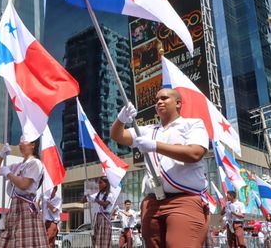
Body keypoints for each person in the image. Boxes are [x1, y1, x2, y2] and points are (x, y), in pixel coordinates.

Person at [110, 88, 209, 247]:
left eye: (164, 98)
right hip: (153, 201)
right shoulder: (148, 130)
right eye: (156, 100)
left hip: (183, 198)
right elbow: (117, 135)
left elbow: (195, 153)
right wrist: (121, 119)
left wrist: (155, 145)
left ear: (178, 103)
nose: (159, 102)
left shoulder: (193, 124)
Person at [0, 137, 48, 247]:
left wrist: (9, 174)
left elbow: (24, 185)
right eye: (20, 141)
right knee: (6, 242)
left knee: (25, 243)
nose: (20, 144)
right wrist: (1, 156)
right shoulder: (17, 166)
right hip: (14, 206)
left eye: (24, 141)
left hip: (26, 207)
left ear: (33, 145)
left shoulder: (35, 163)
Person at [82, 177, 114, 248]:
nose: (99, 185)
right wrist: (86, 194)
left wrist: (96, 200)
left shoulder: (110, 195)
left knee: (104, 238)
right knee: (97, 238)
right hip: (98, 218)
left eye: (100, 183)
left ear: (106, 184)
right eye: (98, 183)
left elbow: (105, 204)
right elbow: (83, 201)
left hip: (105, 219)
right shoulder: (97, 195)